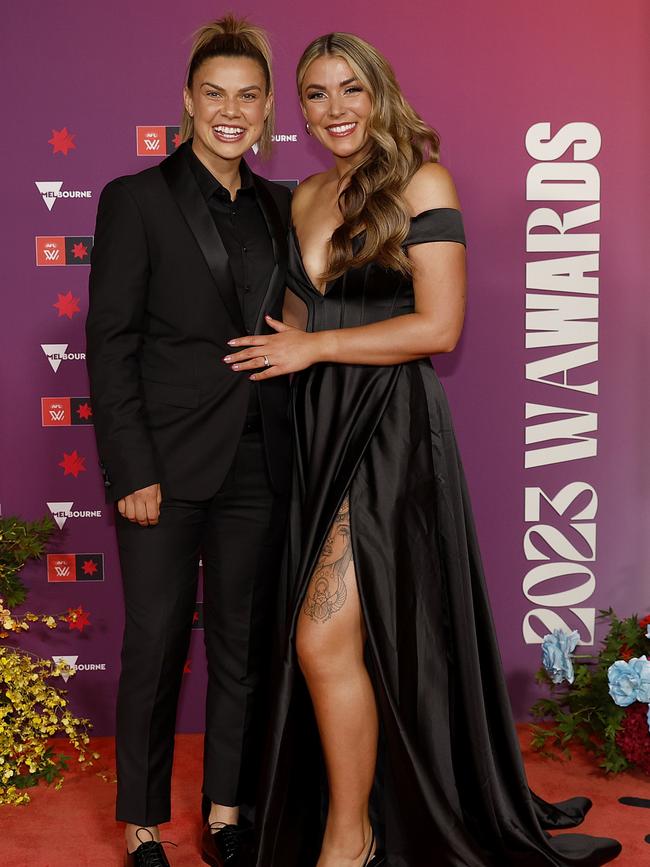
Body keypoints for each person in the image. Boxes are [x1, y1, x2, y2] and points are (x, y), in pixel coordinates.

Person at [222, 32, 622, 867]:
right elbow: (297, 322)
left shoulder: (421, 180)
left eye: (350, 90)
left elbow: (439, 327)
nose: (335, 110)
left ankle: (351, 836)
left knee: (321, 638)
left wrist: (314, 351)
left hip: (390, 426)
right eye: (317, 95)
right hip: (319, 428)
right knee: (339, 642)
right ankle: (361, 820)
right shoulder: (305, 196)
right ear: (299, 110)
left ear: (379, 93)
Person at [85, 16, 292, 867]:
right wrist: (130, 466)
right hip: (163, 470)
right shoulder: (135, 198)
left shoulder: (284, 207)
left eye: (248, 95)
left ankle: (227, 813)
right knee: (157, 643)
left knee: (242, 646)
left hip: (259, 463)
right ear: (188, 102)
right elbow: (112, 342)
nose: (230, 111)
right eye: (215, 94)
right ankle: (142, 823)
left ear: (269, 107)